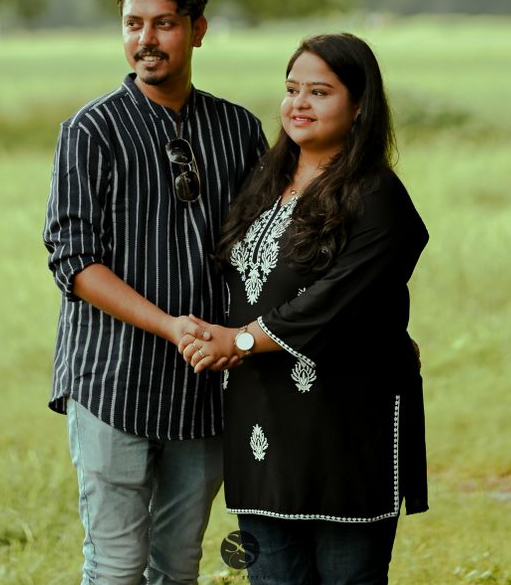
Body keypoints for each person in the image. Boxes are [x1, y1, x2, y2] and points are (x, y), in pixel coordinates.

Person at [43, 0, 267, 585]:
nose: (145, 40)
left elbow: (260, 250)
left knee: (177, 565)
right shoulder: (91, 130)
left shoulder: (238, 130)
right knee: (114, 565)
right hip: (111, 380)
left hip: (203, 391)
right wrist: (172, 327)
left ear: (198, 28)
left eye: (164, 23)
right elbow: (75, 261)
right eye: (133, 22)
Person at [178, 32, 428, 585]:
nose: (299, 104)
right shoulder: (263, 183)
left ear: (360, 103)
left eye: (320, 91)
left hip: (344, 427)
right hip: (259, 425)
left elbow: (335, 303)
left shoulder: (377, 197)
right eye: (292, 89)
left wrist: (238, 341)